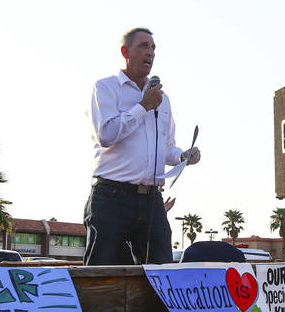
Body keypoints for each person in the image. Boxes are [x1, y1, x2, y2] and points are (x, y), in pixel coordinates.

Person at [85, 27, 201, 265]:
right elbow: (105, 135)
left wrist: (182, 156)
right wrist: (143, 107)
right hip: (112, 197)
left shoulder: (162, 98)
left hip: (151, 201)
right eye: (144, 46)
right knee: (102, 275)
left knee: (163, 275)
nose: (151, 52)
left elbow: (166, 149)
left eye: (153, 48)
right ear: (125, 52)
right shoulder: (105, 88)